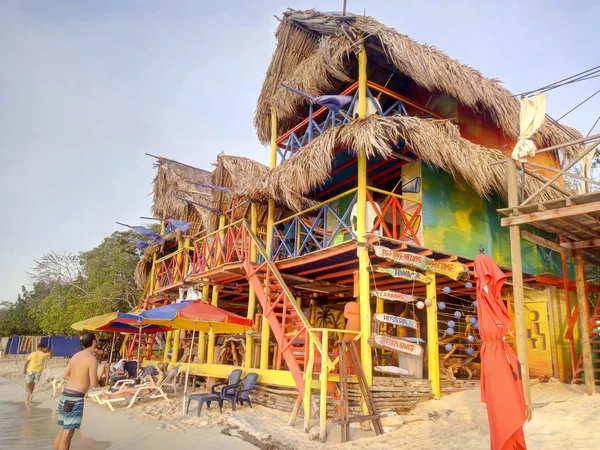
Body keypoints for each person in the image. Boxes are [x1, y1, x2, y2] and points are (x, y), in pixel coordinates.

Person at [54, 332, 98, 450]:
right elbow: (94, 383)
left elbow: (65, 375)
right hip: (75, 398)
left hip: (65, 394)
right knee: (68, 434)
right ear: (94, 342)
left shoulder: (75, 355)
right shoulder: (92, 359)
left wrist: (78, 378)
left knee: (63, 430)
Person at [99, 362, 166, 400]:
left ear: (160, 368)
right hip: (144, 388)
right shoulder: (160, 374)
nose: (156, 368)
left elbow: (156, 387)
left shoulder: (161, 375)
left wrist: (150, 379)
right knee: (126, 393)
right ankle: (109, 396)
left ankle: (109, 395)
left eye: (157, 367)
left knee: (125, 389)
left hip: (146, 390)